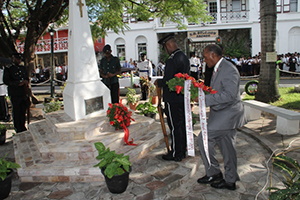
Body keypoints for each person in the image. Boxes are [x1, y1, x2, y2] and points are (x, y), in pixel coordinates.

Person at [197, 44, 247, 190]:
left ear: (213, 55)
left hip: (228, 114)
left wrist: (204, 100)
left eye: (206, 57)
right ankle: (230, 180)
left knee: (203, 139)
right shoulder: (218, 67)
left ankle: (214, 172)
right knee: (227, 148)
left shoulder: (229, 69)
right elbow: (217, 90)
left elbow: (230, 95)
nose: (205, 61)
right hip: (221, 112)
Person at [155, 33, 190, 162]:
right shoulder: (183, 57)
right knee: (181, 124)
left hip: (172, 98)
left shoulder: (172, 59)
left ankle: (176, 153)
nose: (165, 50)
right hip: (181, 96)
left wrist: (159, 82)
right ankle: (182, 150)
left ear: (168, 45)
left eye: (165, 47)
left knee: (175, 126)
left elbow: (169, 80)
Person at [3, 53, 29, 133]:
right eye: (17, 59)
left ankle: (23, 125)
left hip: (23, 92)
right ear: (13, 58)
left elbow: (26, 77)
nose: (19, 61)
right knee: (17, 110)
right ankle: (18, 127)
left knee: (23, 110)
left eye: (20, 59)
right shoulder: (9, 69)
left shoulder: (22, 68)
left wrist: (26, 82)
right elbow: (6, 81)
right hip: (15, 93)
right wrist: (17, 83)